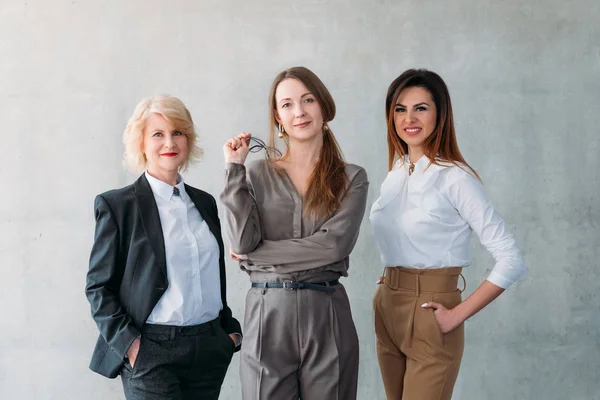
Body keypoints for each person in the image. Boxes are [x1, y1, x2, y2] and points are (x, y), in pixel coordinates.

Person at [370, 69, 526, 400]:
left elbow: (511, 259)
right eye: (400, 109)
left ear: (440, 114)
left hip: (430, 310)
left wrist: (457, 315)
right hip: (388, 307)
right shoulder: (396, 173)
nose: (409, 118)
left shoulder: (455, 178)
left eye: (421, 108)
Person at [220, 66, 369, 400]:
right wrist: (234, 169)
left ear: (324, 107)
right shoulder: (255, 173)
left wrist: (256, 256)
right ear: (278, 116)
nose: (298, 111)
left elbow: (334, 246)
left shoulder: (351, 177)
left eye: (308, 100)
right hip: (266, 313)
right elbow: (241, 241)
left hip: (326, 314)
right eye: (287, 104)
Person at [85, 95, 241, 400]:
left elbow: (211, 274)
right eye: (158, 134)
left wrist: (227, 333)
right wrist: (131, 345)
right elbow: (98, 287)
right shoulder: (118, 205)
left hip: (209, 349)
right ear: (141, 142)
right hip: (151, 351)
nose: (169, 141)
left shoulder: (205, 202)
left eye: (177, 132)